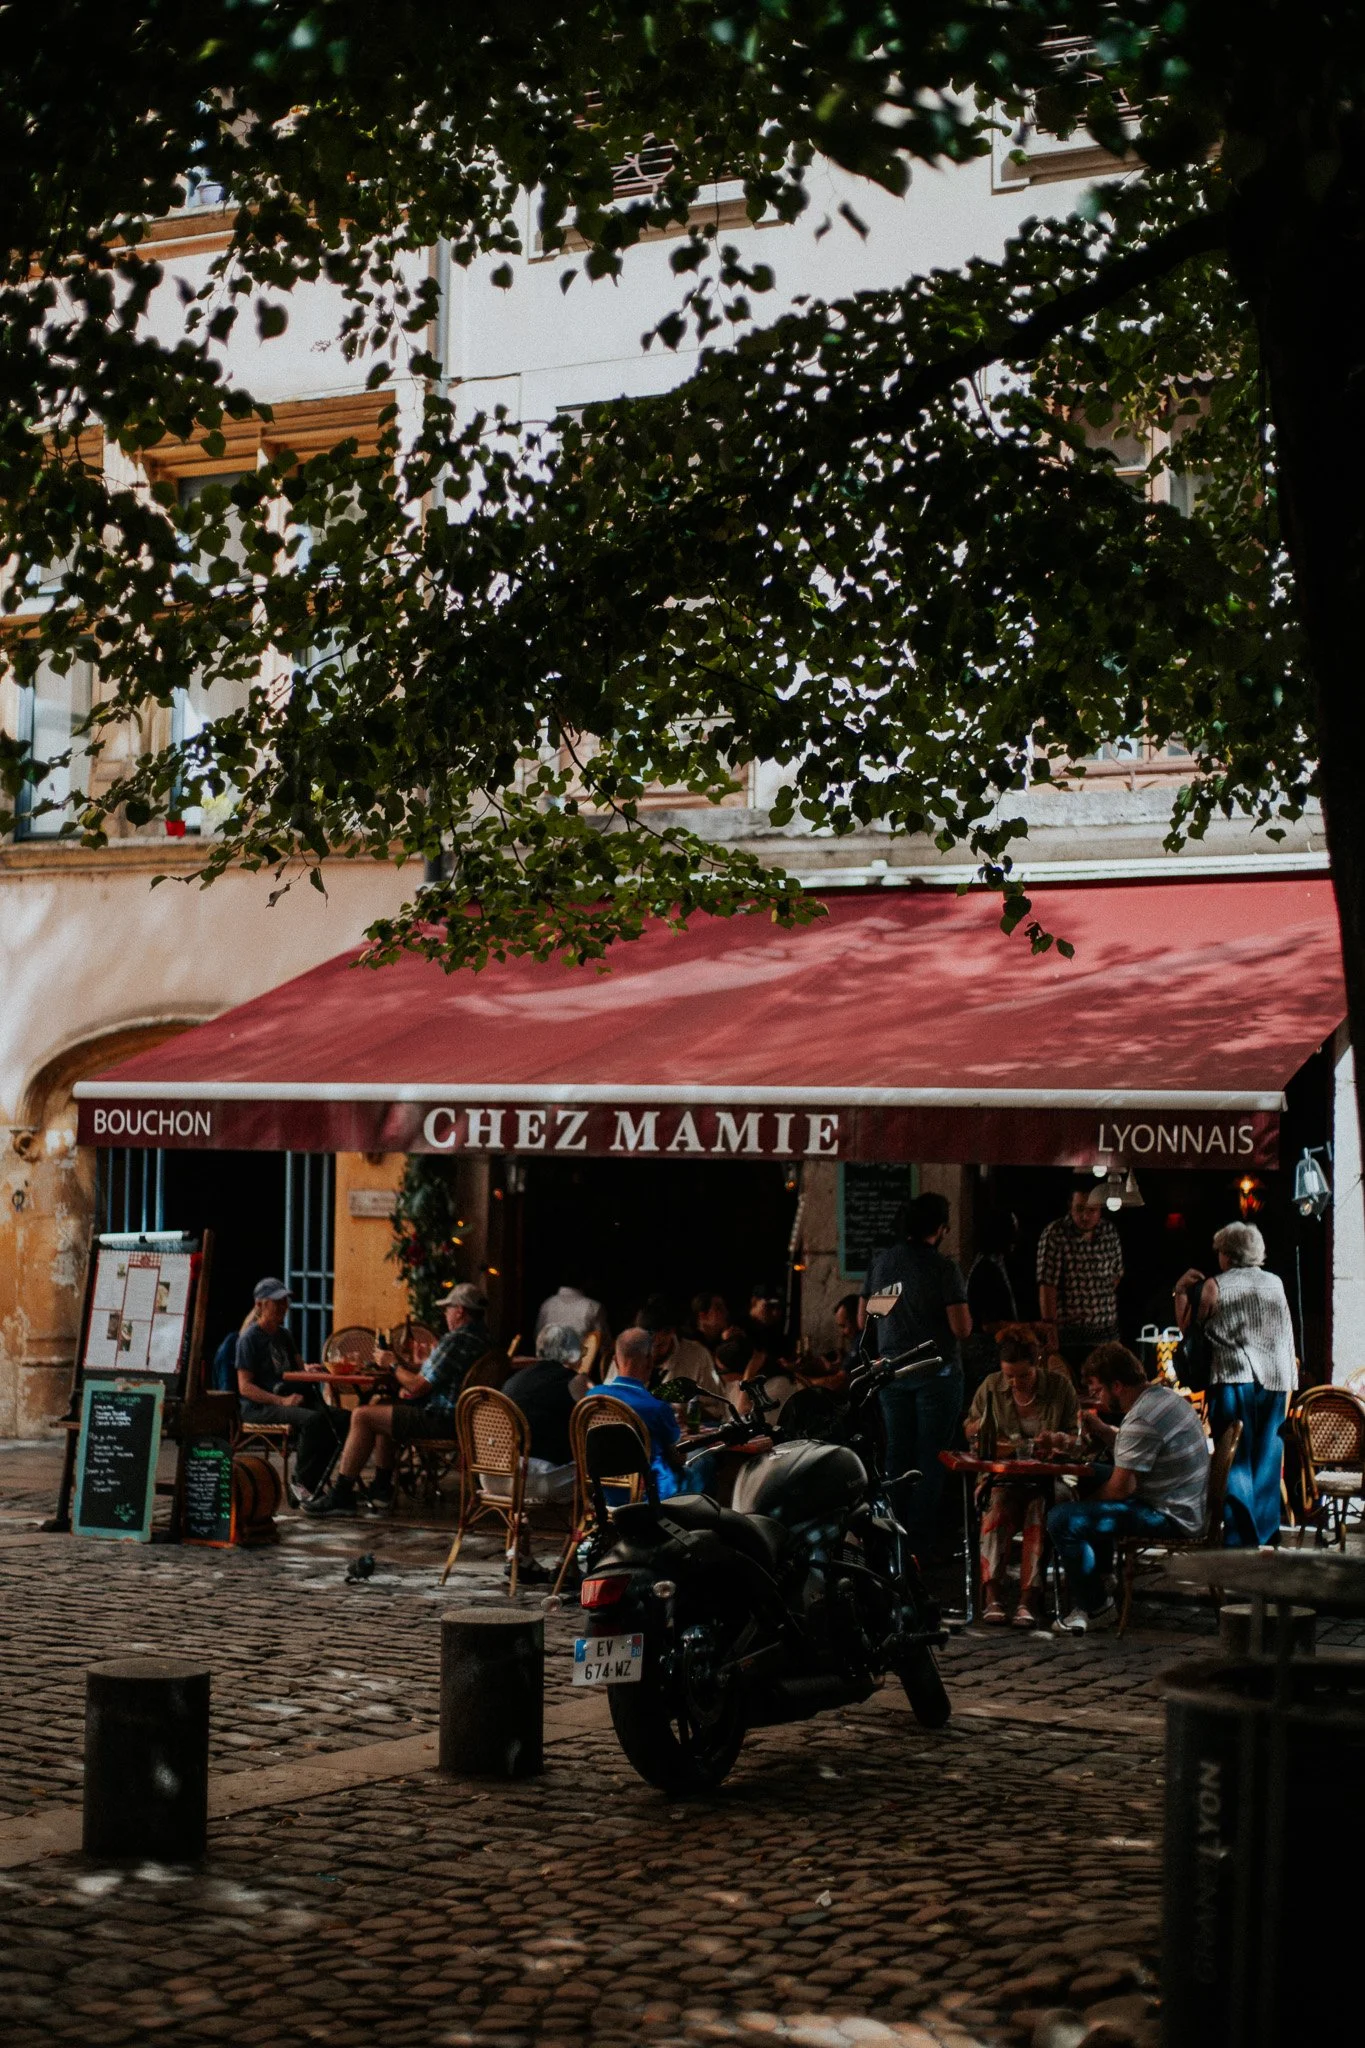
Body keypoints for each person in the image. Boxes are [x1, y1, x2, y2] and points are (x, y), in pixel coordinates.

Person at [1047, 1342, 1210, 1634]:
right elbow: (1139, 1448)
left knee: (1063, 1519)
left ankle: (1096, 1606)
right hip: (1178, 1496)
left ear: (1117, 1385)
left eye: (1098, 1389)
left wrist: (1080, 1506)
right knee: (1088, 1475)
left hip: (1171, 1513)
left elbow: (1119, 1490)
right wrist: (1105, 1432)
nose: (1096, 1396)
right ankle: (1103, 1573)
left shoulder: (1141, 1419)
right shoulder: (1161, 1398)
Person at [304, 1283, 492, 1516]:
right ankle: (381, 1489)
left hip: (441, 1419)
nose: (445, 1315)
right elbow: (440, 1375)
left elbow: (418, 1386)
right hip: (466, 1418)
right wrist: (417, 1364)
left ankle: (342, 1493)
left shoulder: (455, 1340)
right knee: (383, 1408)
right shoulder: (484, 1339)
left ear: (460, 1311)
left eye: (448, 1309)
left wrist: (391, 1364)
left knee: (362, 1415)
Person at [1175, 1221, 1298, 1546]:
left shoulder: (1216, 1285)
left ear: (1228, 1255)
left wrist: (1180, 1292)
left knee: (1235, 1459)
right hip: (1275, 1379)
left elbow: (1190, 1329)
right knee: (1268, 1458)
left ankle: (1240, 1541)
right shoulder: (1275, 1283)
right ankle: (1266, 1538)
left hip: (1233, 1377)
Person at [860, 1191, 971, 1549]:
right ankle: (920, 1543)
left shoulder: (882, 1263)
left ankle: (892, 1540)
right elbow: (961, 1328)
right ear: (940, 1228)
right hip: (935, 1375)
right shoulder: (943, 1268)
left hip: (891, 1373)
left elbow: (867, 1317)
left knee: (896, 1455)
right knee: (930, 1458)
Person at [964, 1331, 1080, 1627]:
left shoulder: (1059, 1387)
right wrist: (980, 1431)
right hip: (1004, 1479)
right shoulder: (991, 1386)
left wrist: (1057, 1441)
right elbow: (969, 1427)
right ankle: (992, 1597)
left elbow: (1077, 1440)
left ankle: (1029, 1599)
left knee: (1040, 1508)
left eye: (1022, 1376)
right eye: (1009, 1376)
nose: (1015, 1383)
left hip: (1049, 1479)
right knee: (997, 1505)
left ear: (1037, 1363)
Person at [235, 1279, 346, 1499]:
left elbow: (296, 1368)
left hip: (293, 1396)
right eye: (277, 1302)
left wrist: (309, 1370)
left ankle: (317, 1479)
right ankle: (301, 1483)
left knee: (343, 1420)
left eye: (285, 1301)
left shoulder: (284, 1335)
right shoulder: (249, 1339)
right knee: (313, 1421)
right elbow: (245, 1386)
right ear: (260, 1305)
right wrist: (281, 1401)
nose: (284, 1307)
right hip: (262, 1405)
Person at [581, 1326, 689, 1500]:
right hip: (646, 1494)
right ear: (649, 1361)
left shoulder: (592, 1399)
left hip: (600, 1492)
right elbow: (679, 1457)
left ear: (615, 1361)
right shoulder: (657, 1407)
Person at [1036, 1180, 1124, 1380]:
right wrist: (1050, 1328)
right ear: (1070, 1207)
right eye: (1080, 1209)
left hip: (1106, 1333)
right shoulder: (1056, 1233)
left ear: (1101, 1208)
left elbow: (1117, 1275)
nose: (1085, 1216)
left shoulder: (1109, 1232)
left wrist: (1097, 1297)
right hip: (1070, 1335)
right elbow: (1047, 1285)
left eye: (1092, 1210)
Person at [638, 1293, 725, 1400]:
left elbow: (716, 1406)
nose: (652, 1352)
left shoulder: (698, 1356)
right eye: (647, 1345)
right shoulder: (629, 1352)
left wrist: (689, 1414)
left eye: (659, 1345)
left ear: (671, 1333)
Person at [535, 1282, 611, 1347]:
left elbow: (537, 1336)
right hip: (581, 1363)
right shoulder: (593, 1306)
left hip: (546, 1362)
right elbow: (604, 1344)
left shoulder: (547, 1304)